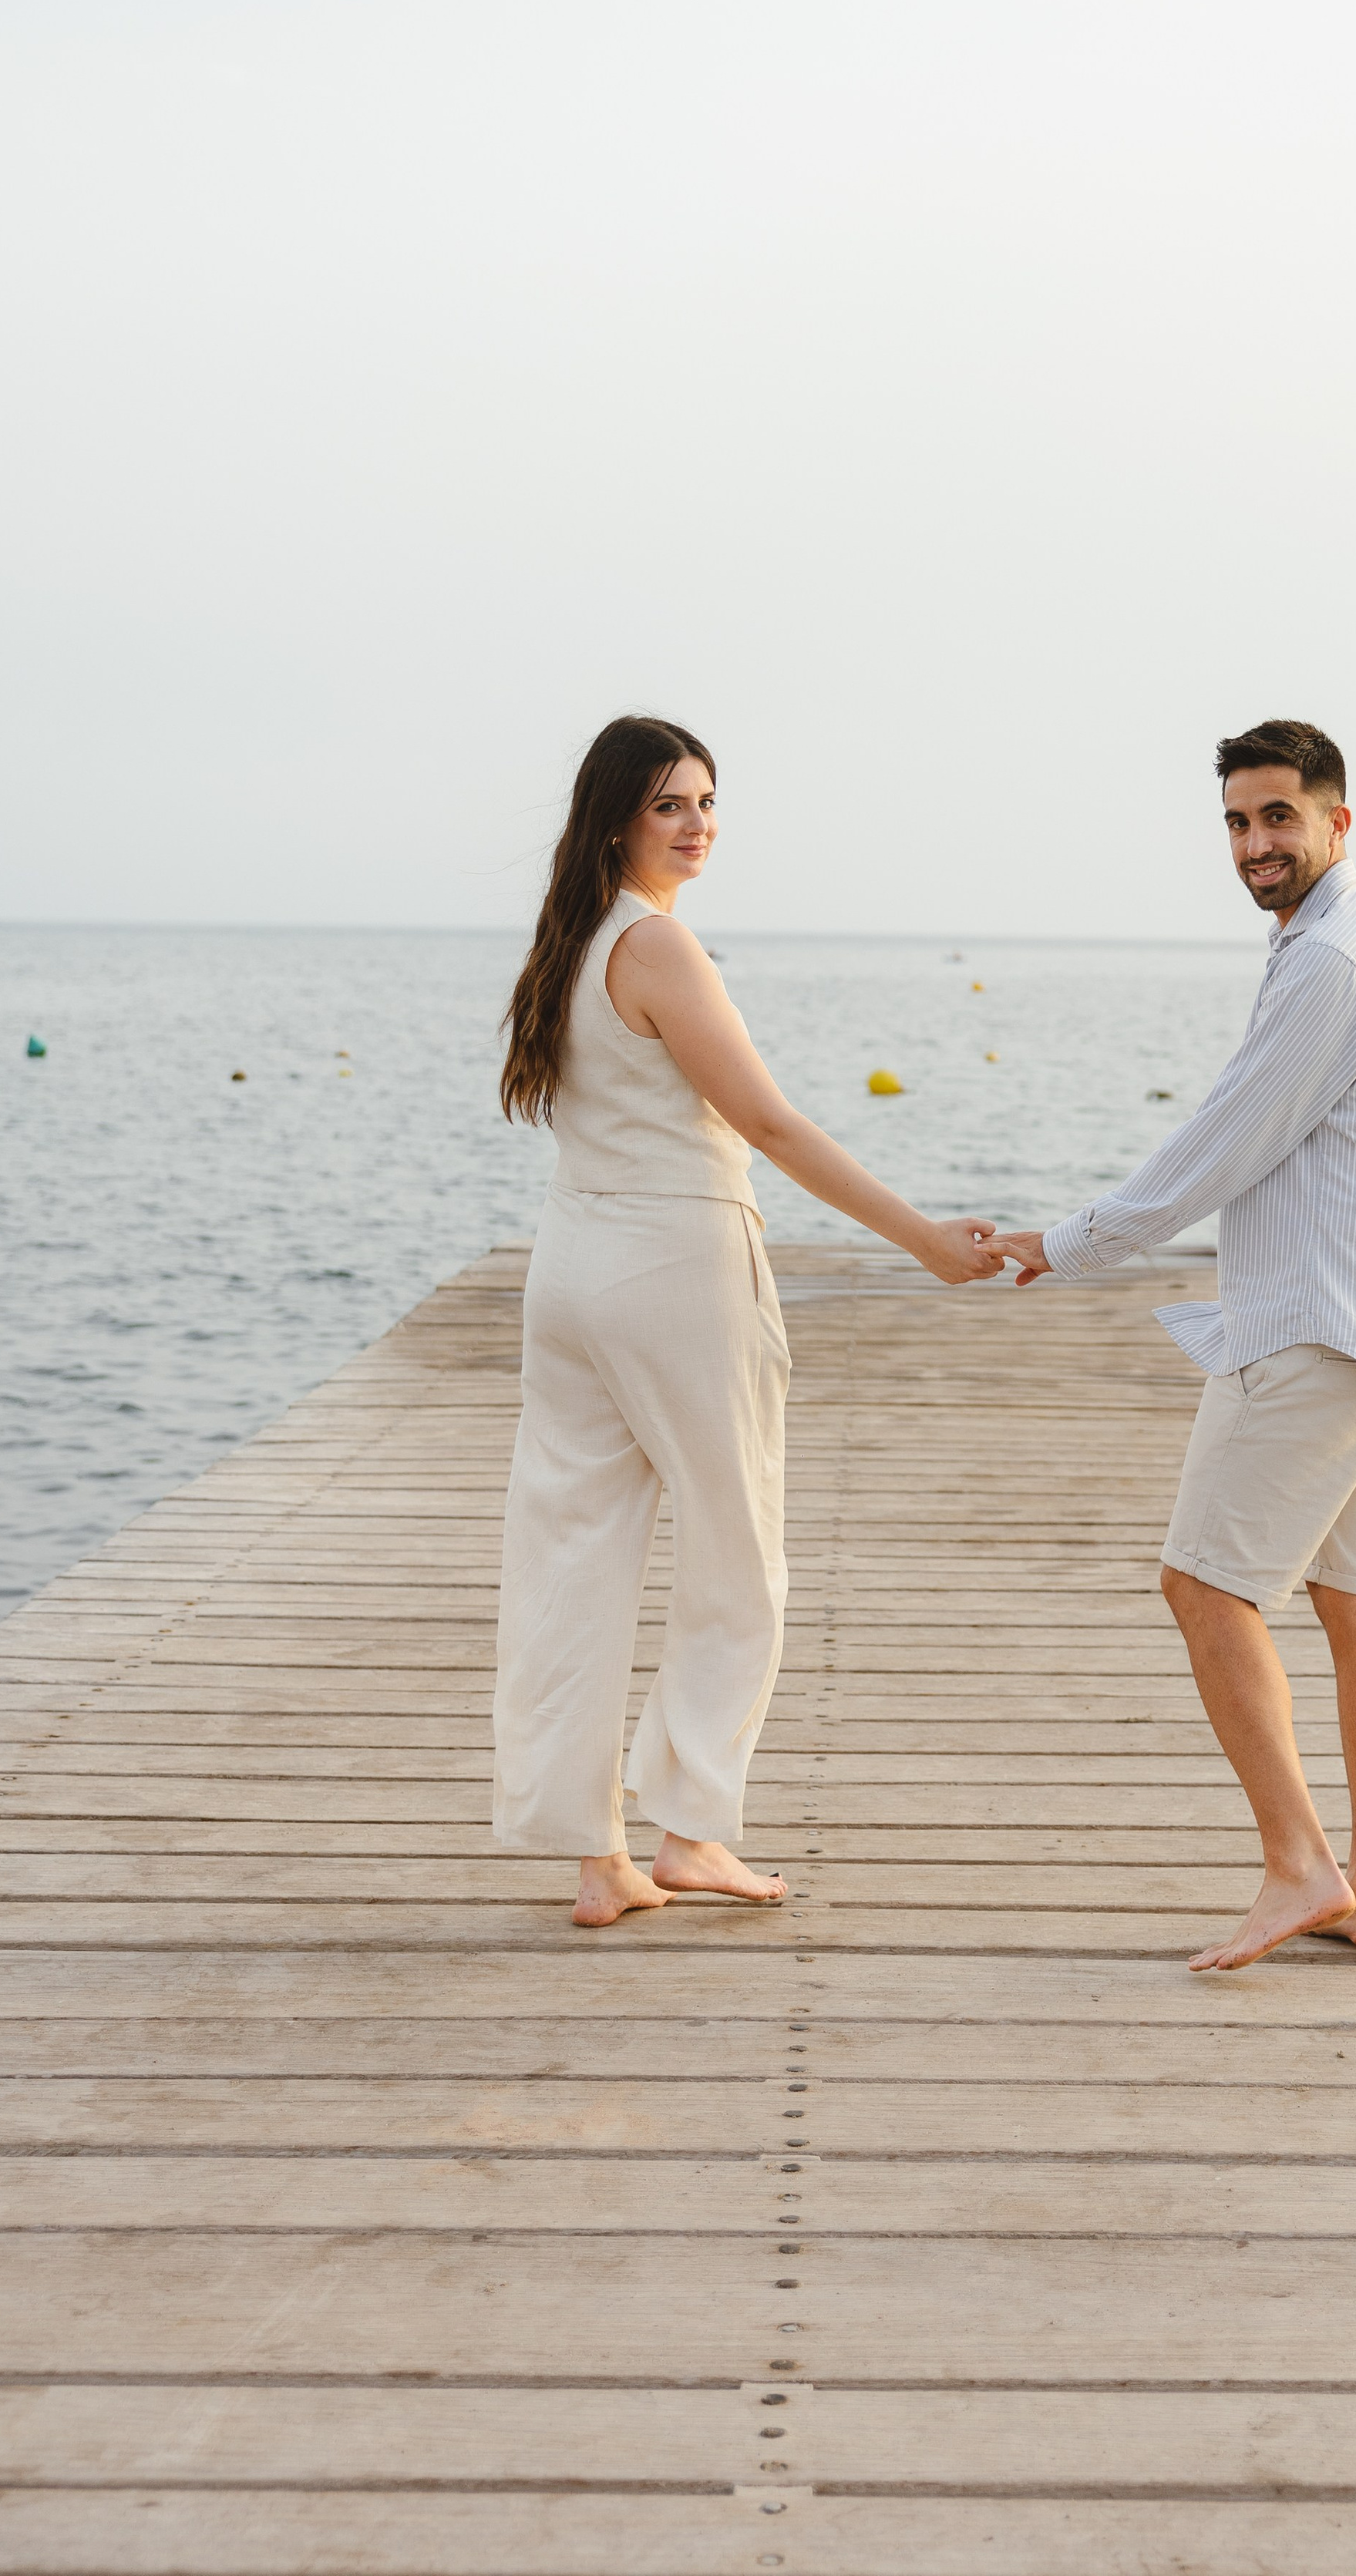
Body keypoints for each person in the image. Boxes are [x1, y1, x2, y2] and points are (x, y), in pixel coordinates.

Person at [495, 713, 1002, 1927]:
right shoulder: (660, 949)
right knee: (740, 1556)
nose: (699, 824)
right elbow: (771, 1127)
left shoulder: (569, 942)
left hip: (571, 1267)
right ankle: (691, 1833)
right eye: (672, 804)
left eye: (709, 802)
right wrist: (925, 1239)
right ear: (617, 814)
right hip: (675, 1267)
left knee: (574, 1557)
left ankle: (593, 1859)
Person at [986, 719, 1356, 1972]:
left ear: (1337, 823)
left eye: (1279, 818)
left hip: (1321, 1330)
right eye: (1239, 823)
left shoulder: (1334, 964)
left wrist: (1065, 1241)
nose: (1256, 844)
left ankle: (1302, 1867)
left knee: (1205, 1585)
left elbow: (1220, 1143)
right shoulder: (1343, 944)